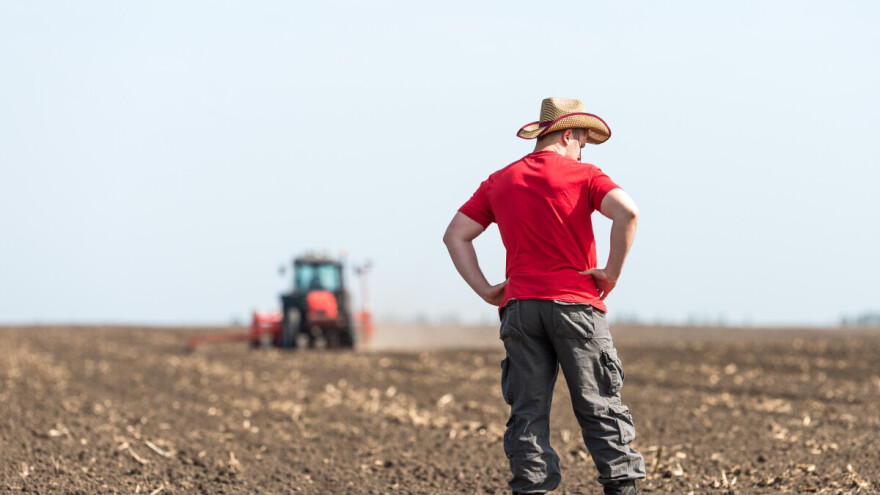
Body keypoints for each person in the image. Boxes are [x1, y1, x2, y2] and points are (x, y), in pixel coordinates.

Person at [443, 97, 646, 495]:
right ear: (568, 135)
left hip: (521, 309)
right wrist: (611, 273)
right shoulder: (584, 175)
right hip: (576, 308)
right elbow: (628, 212)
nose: (583, 151)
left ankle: (531, 489)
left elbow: (455, 235)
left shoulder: (500, 180)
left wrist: (486, 290)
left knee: (528, 413)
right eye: (582, 142)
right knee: (599, 406)